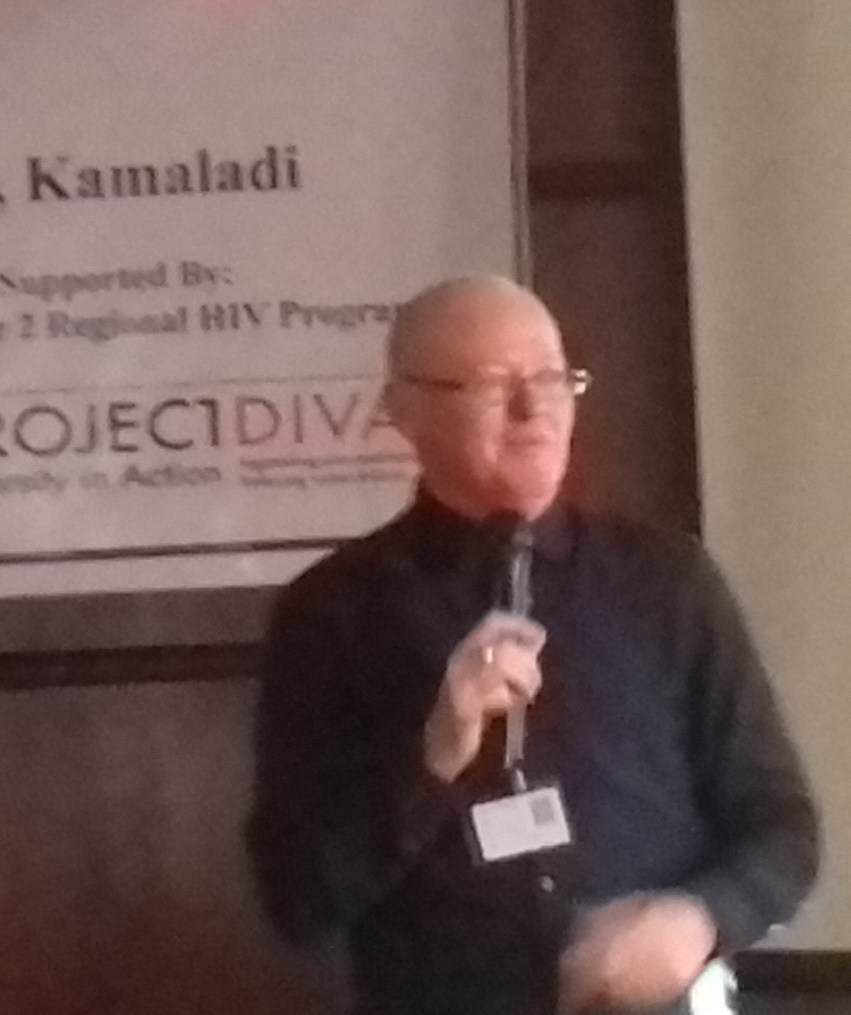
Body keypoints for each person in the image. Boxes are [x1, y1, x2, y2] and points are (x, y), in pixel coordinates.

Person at [246, 276, 820, 1015]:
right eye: (492, 385)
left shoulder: (667, 579)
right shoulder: (333, 611)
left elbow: (782, 826)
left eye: (552, 378)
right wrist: (431, 763)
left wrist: (701, 919)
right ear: (404, 410)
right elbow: (296, 898)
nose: (532, 409)